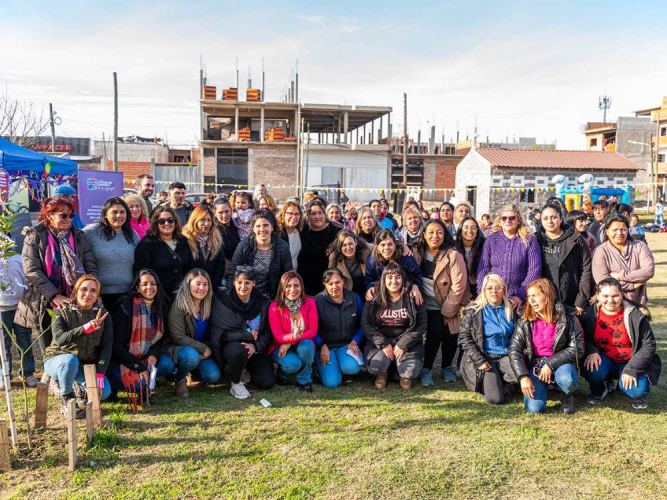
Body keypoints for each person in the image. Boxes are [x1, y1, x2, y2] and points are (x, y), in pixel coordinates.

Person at [15, 197, 97, 356]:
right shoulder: (35, 236)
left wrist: (88, 290)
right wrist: (54, 296)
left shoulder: (79, 236)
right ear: (49, 215)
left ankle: (71, 374)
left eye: (71, 215)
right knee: (48, 339)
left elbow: (90, 265)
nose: (68, 219)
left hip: (75, 296)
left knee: (74, 338)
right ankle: (51, 372)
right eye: (63, 215)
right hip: (45, 298)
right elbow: (32, 270)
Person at [580, 278, 661, 409]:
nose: (610, 300)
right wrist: (591, 351)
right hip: (604, 359)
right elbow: (581, 337)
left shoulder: (635, 315)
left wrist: (632, 369)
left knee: (637, 390)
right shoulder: (589, 314)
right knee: (592, 370)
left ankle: (628, 388)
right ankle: (600, 388)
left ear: (622, 294)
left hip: (630, 361)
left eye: (615, 296)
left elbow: (649, 344)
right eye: (605, 296)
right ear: (597, 295)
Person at [508, 278, 583, 414]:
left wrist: (550, 364)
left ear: (547, 295)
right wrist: (523, 377)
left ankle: (567, 393)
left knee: (568, 380)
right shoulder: (524, 318)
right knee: (534, 409)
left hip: (560, 361)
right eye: (529, 296)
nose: (531, 300)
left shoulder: (569, 316)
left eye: (535, 295)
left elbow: (577, 347)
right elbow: (514, 349)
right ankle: (545, 388)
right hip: (536, 363)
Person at [43, 275, 112, 417]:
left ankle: (77, 388)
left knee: (104, 393)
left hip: (84, 364)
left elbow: (107, 347)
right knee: (69, 361)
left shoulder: (104, 315)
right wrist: (85, 328)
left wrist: (99, 375)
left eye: (93, 291)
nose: (88, 294)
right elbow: (60, 339)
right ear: (75, 291)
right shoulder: (60, 311)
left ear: (97, 295)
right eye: (84, 289)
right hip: (57, 360)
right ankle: (66, 398)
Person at [413, 220, 470, 385]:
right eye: (430, 232)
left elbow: (459, 286)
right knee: (435, 332)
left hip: (450, 302)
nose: (435, 236)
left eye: (439, 232)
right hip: (426, 304)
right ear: (424, 234)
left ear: (445, 235)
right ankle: (427, 368)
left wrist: (448, 311)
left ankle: (447, 367)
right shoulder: (417, 252)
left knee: (451, 334)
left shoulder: (453, 254)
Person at [209, 267, 275, 399]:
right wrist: (246, 335)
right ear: (233, 282)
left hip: (255, 348)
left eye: (247, 282)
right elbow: (220, 333)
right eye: (239, 282)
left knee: (266, 382)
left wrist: (256, 346)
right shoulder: (223, 300)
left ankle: (244, 369)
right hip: (232, 346)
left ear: (254, 283)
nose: (243, 286)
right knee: (239, 351)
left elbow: (267, 332)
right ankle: (236, 382)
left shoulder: (263, 302)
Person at [110, 269, 175, 402]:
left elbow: (159, 338)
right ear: (137, 288)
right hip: (123, 360)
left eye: (153, 283)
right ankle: (114, 384)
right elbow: (116, 345)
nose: (149, 287)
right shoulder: (126, 307)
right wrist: (138, 367)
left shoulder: (160, 306)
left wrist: (153, 354)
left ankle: (144, 380)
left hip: (145, 357)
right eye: (144, 284)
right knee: (141, 385)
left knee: (167, 365)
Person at [362, 264, 427, 390]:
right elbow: (365, 324)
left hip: (406, 342)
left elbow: (422, 324)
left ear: (403, 279)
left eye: (398, 277)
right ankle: (382, 373)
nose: (394, 281)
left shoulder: (413, 296)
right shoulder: (374, 297)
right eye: (389, 277)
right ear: (384, 280)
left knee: (410, 371)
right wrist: (383, 343)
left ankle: (403, 375)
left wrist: (403, 344)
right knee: (376, 367)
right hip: (382, 342)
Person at [459, 274, 518, 404]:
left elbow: (518, 335)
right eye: (489, 288)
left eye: (498, 287)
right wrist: (479, 361)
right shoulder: (474, 311)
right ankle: (494, 382)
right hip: (485, 357)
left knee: (519, 375)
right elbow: (464, 338)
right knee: (495, 399)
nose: (494, 291)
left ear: (504, 289)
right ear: (484, 290)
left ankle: (503, 381)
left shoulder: (512, 310)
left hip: (505, 356)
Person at [165, 269, 221, 398]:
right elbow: (178, 337)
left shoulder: (210, 304)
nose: (201, 288)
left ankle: (192, 371)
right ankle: (179, 379)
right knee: (191, 356)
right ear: (188, 284)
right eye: (197, 283)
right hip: (180, 348)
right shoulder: (178, 306)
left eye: (205, 284)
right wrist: (203, 348)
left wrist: (207, 347)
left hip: (201, 350)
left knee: (212, 376)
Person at [476, 203, 542, 309]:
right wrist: (482, 293)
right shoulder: (491, 240)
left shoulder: (529, 240)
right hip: (494, 298)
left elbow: (534, 271)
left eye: (512, 218)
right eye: (504, 218)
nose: (508, 221)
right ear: (500, 221)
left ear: (518, 220)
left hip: (519, 302)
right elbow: (483, 269)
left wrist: (520, 295)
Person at [83, 197, 140, 314]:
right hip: (98, 296)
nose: (119, 215)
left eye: (122, 212)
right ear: (105, 214)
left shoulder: (132, 233)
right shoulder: (90, 232)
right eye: (114, 212)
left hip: (127, 295)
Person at [535, 203, 593, 314]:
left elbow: (587, 269)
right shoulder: (536, 239)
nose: (550, 222)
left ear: (561, 219)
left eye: (554, 217)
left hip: (571, 298)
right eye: (545, 218)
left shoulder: (576, 239)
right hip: (544, 298)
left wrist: (581, 300)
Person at [314, 268, 364, 388]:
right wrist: (321, 345)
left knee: (352, 368)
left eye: (337, 282)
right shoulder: (316, 301)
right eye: (330, 284)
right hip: (326, 347)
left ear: (343, 281)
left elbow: (364, 323)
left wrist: (355, 340)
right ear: (324, 284)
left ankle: (343, 368)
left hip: (346, 345)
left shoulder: (354, 298)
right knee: (332, 383)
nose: (334, 286)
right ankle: (320, 370)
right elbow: (311, 329)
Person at [268, 271, 317, 392]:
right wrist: (292, 337)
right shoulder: (274, 307)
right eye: (288, 286)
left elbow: (313, 331)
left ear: (301, 287)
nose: (293, 289)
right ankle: (283, 375)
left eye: (296, 285)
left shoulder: (310, 303)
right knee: (293, 364)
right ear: (282, 288)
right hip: (279, 345)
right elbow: (278, 336)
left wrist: (292, 340)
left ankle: (304, 380)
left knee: (307, 346)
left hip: (298, 343)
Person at [592, 214, 654, 306]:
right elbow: (603, 281)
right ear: (607, 231)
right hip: (611, 305)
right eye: (615, 230)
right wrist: (632, 285)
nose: (619, 233)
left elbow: (648, 271)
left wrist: (620, 275)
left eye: (623, 229)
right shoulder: (600, 251)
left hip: (638, 303)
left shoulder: (640, 246)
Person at [133, 206, 194, 297]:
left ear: (175, 221)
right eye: (162, 221)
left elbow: (190, 266)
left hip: (181, 295)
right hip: (158, 297)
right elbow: (141, 272)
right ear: (156, 223)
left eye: (170, 220)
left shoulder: (183, 241)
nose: (166, 223)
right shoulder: (147, 243)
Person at [232, 209, 293, 300]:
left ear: (272, 227)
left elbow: (287, 274)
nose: (262, 229)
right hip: (247, 295)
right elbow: (233, 272)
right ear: (253, 228)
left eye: (266, 225)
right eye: (258, 226)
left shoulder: (283, 247)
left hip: (273, 296)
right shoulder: (244, 246)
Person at [0, 246, 35, 389]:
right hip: (1, 309)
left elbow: (27, 280)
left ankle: (27, 373)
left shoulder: (17, 258)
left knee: (24, 340)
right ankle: (4, 375)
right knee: (3, 344)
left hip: (21, 307)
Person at [365, 229, 424, 306]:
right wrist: (370, 287)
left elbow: (417, 274)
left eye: (390, 244)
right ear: (378, 248)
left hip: (404, 293)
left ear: (395, 245)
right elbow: (369, 279)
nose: (386, 248)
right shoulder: (372, 261)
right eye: (383, 245)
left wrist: (416, 286)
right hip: (382, 294)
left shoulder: (406, 258)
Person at [298, 200, 341, 296]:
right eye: (313, 213)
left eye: (320, 213)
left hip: (328, 285)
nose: (317, 216)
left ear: (325, 214)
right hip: (305, 284)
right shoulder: (301, 231)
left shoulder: (336, 232)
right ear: (308, 216)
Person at [182, 205, 226, 288]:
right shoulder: (185, 240)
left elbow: (220, 267)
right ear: (195, 220)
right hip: (190, 287)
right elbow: (183, 268)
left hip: (211, 287)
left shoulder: (216, 239)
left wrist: (210, 288)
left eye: (209, 220)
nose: (206, 223)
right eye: (202, 220)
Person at [328, 229, 371, 300]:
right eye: (344, 245)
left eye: (350, 243)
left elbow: (379, 247)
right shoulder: (334, 258)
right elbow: (330, 279)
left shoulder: (366, 250)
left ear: (356, 242)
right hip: (347, 292)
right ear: (340, 247)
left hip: (366, 288)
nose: (348, 248)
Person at [455, 216, 485, 299]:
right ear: (461, 230)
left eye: (473, 228)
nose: (469, 231)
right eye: (466, 227)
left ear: (477, 231)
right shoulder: (453, 247)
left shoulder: (484, 246)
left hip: (479, 286)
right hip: (460, 286)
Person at [213, 198, 241, 286]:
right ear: (215, 213)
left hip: (238, 271)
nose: (224, 215)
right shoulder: (214, 230)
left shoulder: (237, 225)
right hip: (223, 274)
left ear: (231, 211)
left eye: (227, 211)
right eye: (220, 212)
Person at [276, 200, 304, 271]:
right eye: (290, 213)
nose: (294, 217)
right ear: (283, 214)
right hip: (281, 275)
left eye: (297, 214)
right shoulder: (277, 233)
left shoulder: (300, 231)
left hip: (294, 275)